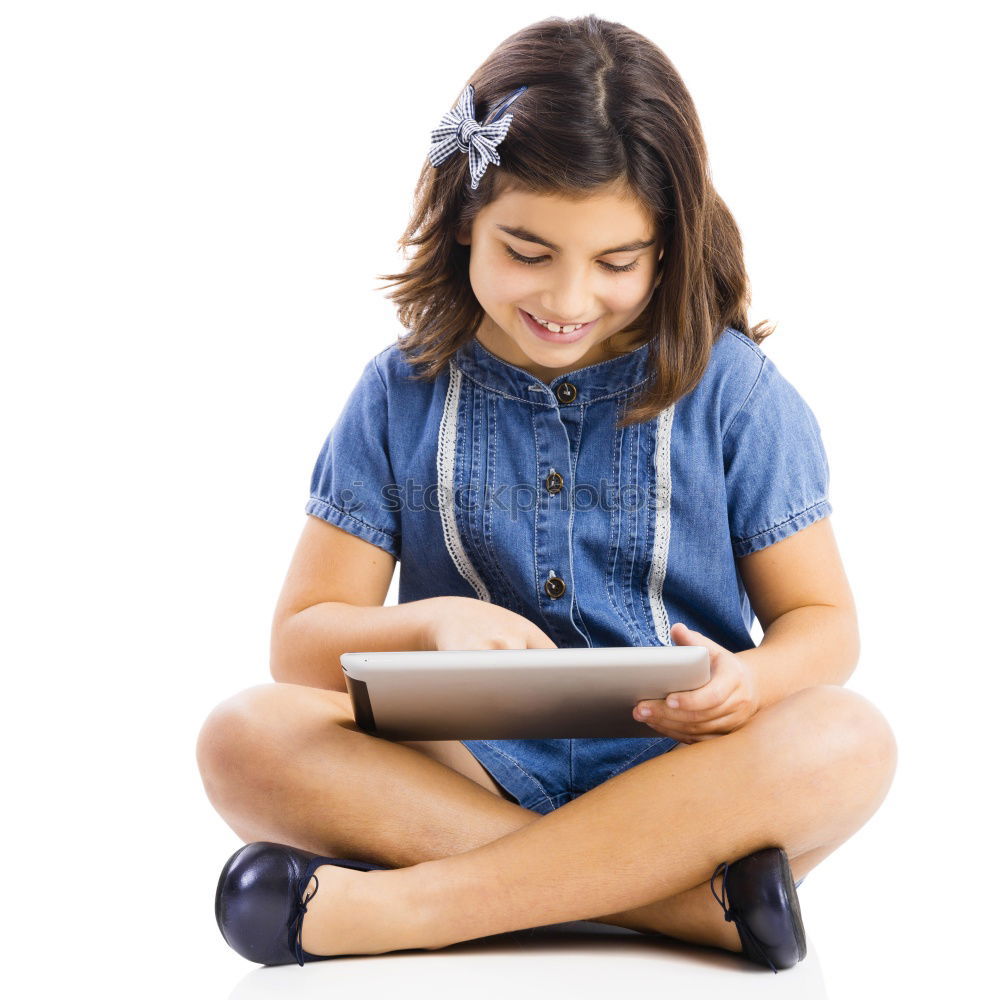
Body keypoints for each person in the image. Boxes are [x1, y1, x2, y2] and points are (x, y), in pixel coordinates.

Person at [197, 14, 897, 974]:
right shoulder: (400, 393)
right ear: (463, 221)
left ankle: (416, 908)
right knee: (244, 735)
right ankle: (681, 909)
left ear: (669, 243)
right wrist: (429, 624)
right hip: (461, 767)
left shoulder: (733, 394)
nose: (569, 300)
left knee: (848, 737)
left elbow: (824, 625)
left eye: (617, 263)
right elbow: (301, 641)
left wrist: (754, 682)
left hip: (690, 778)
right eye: (528, 252)